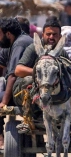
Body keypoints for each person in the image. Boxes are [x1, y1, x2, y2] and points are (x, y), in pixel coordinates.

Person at [14, 17, 70, 133]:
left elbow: (70, 74)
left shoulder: (62, 52)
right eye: (48, 34)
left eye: (55, 34)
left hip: (52, 95)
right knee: (29, 80)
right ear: (42, 34)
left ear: (60, 36)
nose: (51, 37)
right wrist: (39, 73)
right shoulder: (34, 48)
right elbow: (18, 70)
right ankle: (28, 117)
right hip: (24, 92)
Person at [0, 18, 33, 149]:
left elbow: (13, 76)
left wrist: (4, 102)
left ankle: (0, 137)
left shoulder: (19, 44)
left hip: (24, 92)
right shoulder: (22, 40)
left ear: (8, 34)